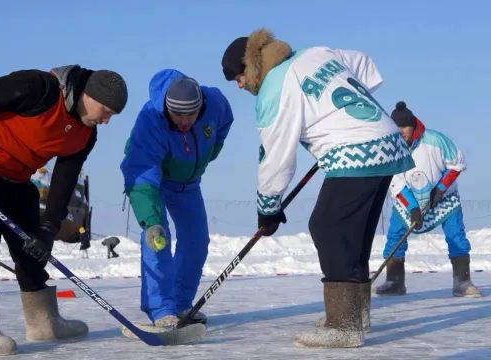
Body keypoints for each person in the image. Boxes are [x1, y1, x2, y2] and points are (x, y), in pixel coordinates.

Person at [221, 28, 415, 348]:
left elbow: (275, 156)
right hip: (388, 142)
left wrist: (267, 208)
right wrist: (334, 114)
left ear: (252, 66)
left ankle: (343, 325)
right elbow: (365, 65)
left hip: (357, 150)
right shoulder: (317, 53)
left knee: (327, 226)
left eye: (238, 77)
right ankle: (356, 313)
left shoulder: (275, 87)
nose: (239, 85)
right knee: (354, 232)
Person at [0, 65, 128, 356]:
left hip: (18, 179)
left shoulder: (85, 135)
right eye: (105, 111)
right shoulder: (39, 88)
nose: (106, 121)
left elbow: (64, 180)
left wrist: (49, 227)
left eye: (111, 116)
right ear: (88, 95)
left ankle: (43, 322)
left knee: (32, 249)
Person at [120, 69, 234, 330]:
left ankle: (182, 304)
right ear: (166, 108)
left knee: (197, 239)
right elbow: (141, 172)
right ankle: (160, 308)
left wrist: (208, 154)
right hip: (151, 178)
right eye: (178, 115)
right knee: (158, 237)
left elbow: (224, 123)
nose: (185, 121)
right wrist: (150, 220)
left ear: (201, 105)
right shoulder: (150, 120)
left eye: (191, 114)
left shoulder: (215, 101)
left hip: (187, 182)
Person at [374, 101, 481, 298]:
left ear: (413, 125)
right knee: (395, 236)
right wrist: (413, 207)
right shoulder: (392, 148)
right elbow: (396, 182)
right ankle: (394, 282)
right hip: (409, 200)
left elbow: (457, 163)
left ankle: (462, 282)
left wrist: (440, 189)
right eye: (396, 128)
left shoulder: (435, 140)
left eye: (404, 127)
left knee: (455, 235)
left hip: (443, 199)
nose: (401, 132)